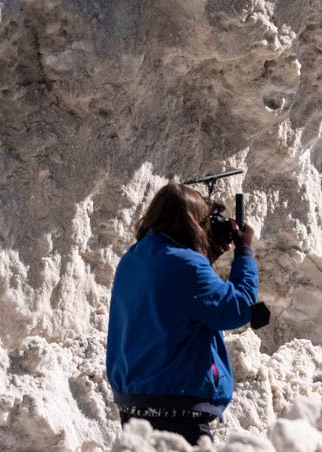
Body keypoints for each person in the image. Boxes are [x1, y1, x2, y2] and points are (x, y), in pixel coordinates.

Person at [106, 181, 259, 444]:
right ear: (191, 223)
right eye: (204, 222)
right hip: (176, 406)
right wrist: (244, 252)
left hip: (134, 403)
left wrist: (206, 254)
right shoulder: (185, 266)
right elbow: (238, 308)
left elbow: (181, 294)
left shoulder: (133, 259)